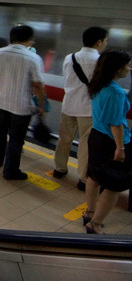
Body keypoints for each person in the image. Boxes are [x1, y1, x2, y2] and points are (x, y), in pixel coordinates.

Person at [0, 25, 45, 180]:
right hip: (21, 106)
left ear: (11, 37)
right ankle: (10, 171)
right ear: (29, 39)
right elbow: (37, 85)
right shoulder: (33, 58)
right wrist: (41, 105)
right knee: (16, 139)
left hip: (0, 101)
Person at [52, 27, 108, 191]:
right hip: (88, 110)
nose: (105, 44)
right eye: (105, 41)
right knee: (85, 144)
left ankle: (59, 169)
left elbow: (66, 79)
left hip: (68, 105)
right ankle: (83, 179)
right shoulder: (101, 61)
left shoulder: (70, 58)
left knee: (64, 139)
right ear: (99, 42)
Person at [83, 50, 131, 234]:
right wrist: (120, 148)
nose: (129, 68)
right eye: (127, 65)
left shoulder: (97, 84)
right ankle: (94, 225)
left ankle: (89, 212)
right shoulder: (116, 92)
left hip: (96, 136)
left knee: (94, 177)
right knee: (114, 185)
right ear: (118, 69)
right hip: (112, 142)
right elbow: (115, 123)